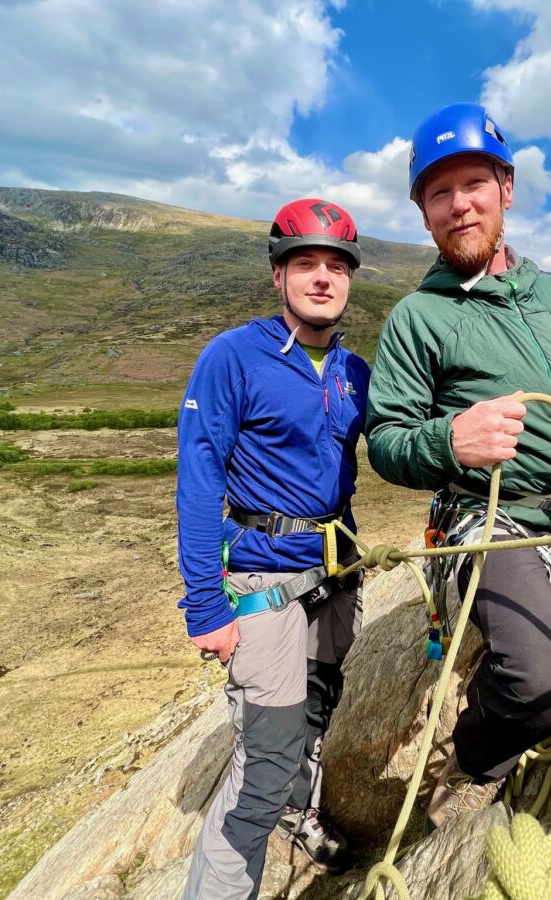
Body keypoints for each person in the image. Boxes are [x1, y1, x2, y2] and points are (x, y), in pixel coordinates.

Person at [365, 103, 551, 828]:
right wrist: (450, 442)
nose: (460, 206)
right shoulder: (417, 319)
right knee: (542, 679)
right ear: (423, 213)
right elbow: (386, 439)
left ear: (506, 189)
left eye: (474, 185)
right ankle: (475, 760)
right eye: (439, 193)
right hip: (489, 519)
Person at [178, 198, 370, 898]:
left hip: (336, 576)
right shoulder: (233, 357)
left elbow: (406, 444)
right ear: (277, 275)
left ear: (349, 279)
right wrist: (204, 605)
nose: (322, 277)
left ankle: (300, 811)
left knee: (316, 711)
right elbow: (198, 481)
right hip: (262, 578)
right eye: (306, 263)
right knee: (264, 760)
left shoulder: (355, 372)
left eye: (336, 265)